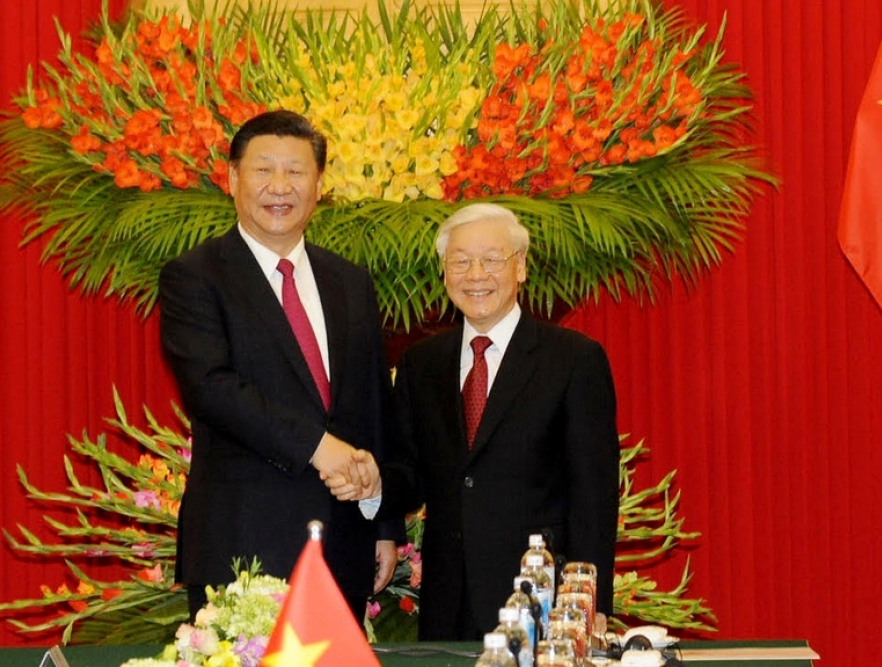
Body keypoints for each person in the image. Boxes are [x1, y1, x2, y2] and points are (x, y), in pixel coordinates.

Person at [330, 203, 620, 640]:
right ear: (445, 273)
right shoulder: (421, 363)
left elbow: (593, 494)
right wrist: (374, 484)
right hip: (449, 600)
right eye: (461, 262)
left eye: (491, 260)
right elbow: (410, 472)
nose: (476, 274)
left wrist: (588, 601)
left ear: (520, 267)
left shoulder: (573, 359)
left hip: (541, 598)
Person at [158, 110, 398, 617]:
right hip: (243, 547)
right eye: (263, 170)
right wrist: (318, 448)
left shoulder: (351, 283)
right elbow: (212, 388)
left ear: (319, 186)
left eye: (296, 171)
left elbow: (374, 407)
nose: (279, 186)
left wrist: (383, 522)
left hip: (344, 544)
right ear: (232, 179)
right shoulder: (195, 277)